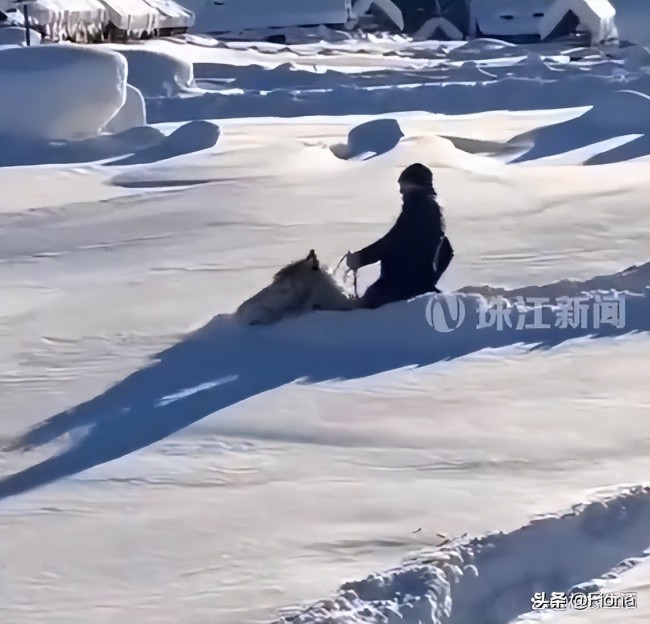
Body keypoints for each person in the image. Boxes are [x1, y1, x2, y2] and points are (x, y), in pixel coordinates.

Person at [345, 163, 454, 309]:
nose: (401, 191)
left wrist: (361, 258)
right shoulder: (428, 209)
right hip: (411, 286)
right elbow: (446, 252)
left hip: (399, 289)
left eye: (404, 186)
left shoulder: (420, 209)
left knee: (356, 314)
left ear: (417, 185)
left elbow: (393, 241)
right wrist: (429, 280)